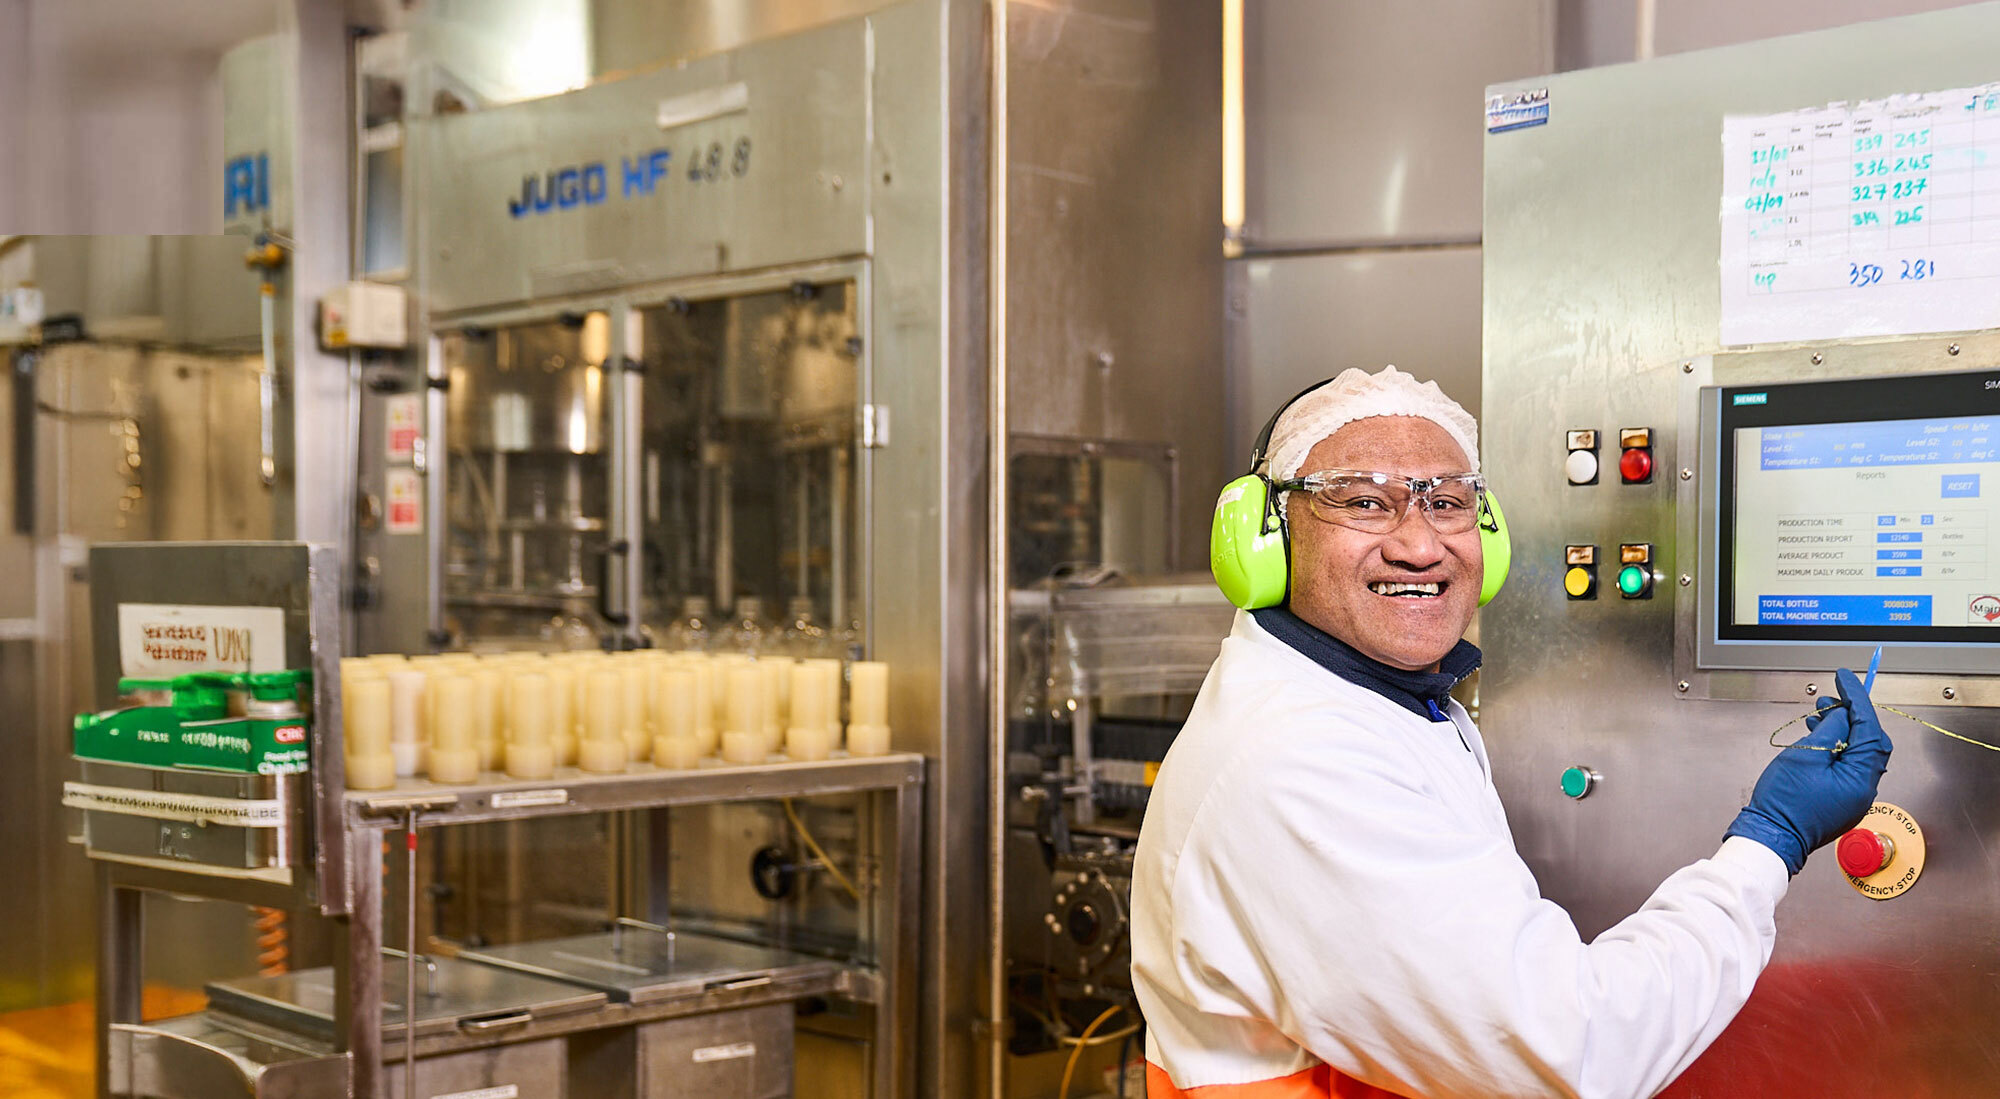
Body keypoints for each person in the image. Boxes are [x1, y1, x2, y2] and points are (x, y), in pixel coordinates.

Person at [1130, 366, 1891, 1099]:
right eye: (1363, 503)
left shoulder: (1386, 703)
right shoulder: (1298, 761)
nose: (1419, 546)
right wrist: (1769, 840)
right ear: (1264, 536)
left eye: (1448, 502)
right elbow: (1579, 1047)